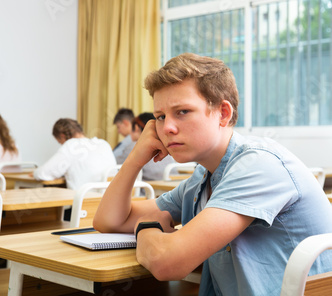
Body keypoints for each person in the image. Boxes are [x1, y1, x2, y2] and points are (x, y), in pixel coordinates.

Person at [93, 53, 332, 295]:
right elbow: (109, 221)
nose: (167, 128)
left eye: (183, 112)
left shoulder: (258, 165)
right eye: (160, 117)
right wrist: (135, 158)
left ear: (223, 113)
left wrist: (147, 228)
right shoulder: (202, 178)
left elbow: (167, 263)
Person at [34, 118, 117, 191]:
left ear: (62, 136)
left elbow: (42, 173)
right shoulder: (103, 144)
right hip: (110, 202)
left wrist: (34, 173)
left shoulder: (70, 145)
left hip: (84, 204)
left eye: (60, 142)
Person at [130, 112, 176, 180]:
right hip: (173, 182)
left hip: (151, 188)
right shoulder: (165, 144)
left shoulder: (134, 146)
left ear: (136, 128)